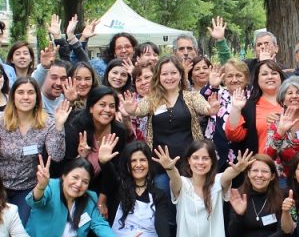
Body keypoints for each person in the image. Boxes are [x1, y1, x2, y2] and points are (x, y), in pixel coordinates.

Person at [125, 57, 216, 187]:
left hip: (190, 164)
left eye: (173, 73)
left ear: (180, 74)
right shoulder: (152, 98)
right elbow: (139, 110)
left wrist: (210, 109)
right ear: (158, 76)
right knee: (163, 196)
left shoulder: (191, 96)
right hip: (160, 165)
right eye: (164, 74)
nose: (169, 77)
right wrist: (132, 110)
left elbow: (204, 107)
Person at [0, 77, 65, 222]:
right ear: (13, 97)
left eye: (30, 92)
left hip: (27, 187)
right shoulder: (0, 123)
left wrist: (59, 126)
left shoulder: (47, 124)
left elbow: (56, 156)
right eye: (21, 92)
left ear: (37, 97)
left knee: (20, 225)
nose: (26, 97)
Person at [154, 141, 254, 237]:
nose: (200, 162)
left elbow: (228, 174)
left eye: (205, 158)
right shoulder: (183, 183)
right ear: (188, 160)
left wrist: (237, 169)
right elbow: (175, 178)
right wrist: (170, 168)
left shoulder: (218, 181)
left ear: (212, 161)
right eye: (195, 158)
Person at [26, 158, 142, 237]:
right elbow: (34, 201)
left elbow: (99, 225)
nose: (78, 184)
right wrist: (41, 186)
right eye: (75, 177)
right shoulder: (50, 186)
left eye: (85, 182)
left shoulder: (89, 199)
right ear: (64, 175)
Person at [63, 86, 134, 216]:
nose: (107, 110)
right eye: (102, 105)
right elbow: (64, 168)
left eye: (112, 106)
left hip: (102, 186)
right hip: (74, 183)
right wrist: (80, 157)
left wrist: (102, 201)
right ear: (91, 107)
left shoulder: (118, 131)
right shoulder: (76, 127)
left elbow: (116, 173)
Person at [110, 142, 180, 237]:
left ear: (149, 163)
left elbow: (162, 222)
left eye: (142, 160)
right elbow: (108, 175)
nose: (138, 165)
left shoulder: (158, 195)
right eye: (133, 161)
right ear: (126, 164)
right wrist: (103, 162)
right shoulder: (117, 189)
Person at [227, 155, 290, 237]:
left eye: (265, 171)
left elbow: (284, 232)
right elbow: (233, 234)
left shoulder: (282, 196)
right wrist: (239, 216)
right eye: (255, 170)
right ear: (248, 173)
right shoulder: (239, 196)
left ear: (272, 176)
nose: (259, 175)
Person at [226, 60, 286, 155]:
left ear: (281, 78)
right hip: (261, 162)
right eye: (264, 74)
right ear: (257, 79)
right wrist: (236, 109)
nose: (270, 77)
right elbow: (234, 136)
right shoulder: (249, 107)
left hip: (293, 162)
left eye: (274, 73)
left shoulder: (293, 101)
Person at [128, 65, 155, 142]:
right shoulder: (131, 103)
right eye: (138, 80)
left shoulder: (167, 98)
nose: (143, 82)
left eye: (147, 77)